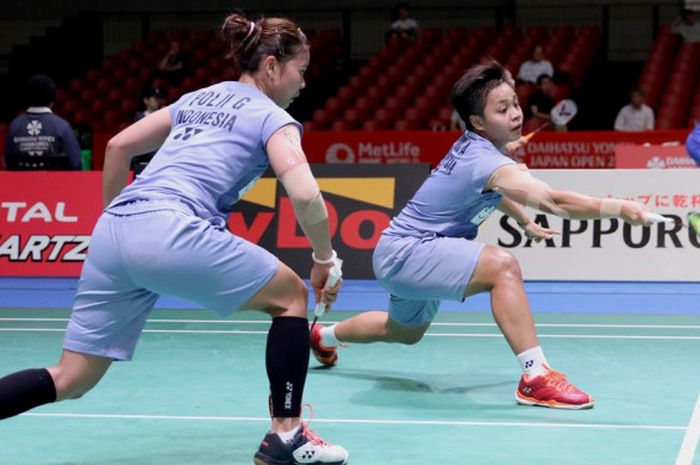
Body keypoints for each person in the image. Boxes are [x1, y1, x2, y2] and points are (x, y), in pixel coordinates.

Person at [0, 12, 349, 465]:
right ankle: (287, 434)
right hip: (171, 226)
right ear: (271, 68)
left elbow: (118, 147)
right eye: (300, 71)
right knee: (290, 297)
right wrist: (323, 257)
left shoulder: (196, 98)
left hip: (115, 231)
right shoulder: (271, 117)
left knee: (71, 377)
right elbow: (305, 194)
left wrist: (115, 218)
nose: (303, 83)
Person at [310, 61, 652, 410]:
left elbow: (492, 192)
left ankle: (322, 336)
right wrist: (617, 208)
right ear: (477, 122)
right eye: (502, 110)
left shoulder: (479, 150)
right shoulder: (485, 161)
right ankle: (536, 377)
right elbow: (552, 200)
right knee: (503, 267)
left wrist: (524, 222)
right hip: (411, 251)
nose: (516, 115)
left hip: (398, 254)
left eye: (515, 104)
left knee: (403, 332)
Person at [3, 74, 82, 170]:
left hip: (22, 184)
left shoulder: (15, 126)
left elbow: (8, 164)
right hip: (55, 185)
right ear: (52, 100)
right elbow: (76, 164)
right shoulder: (62, 126)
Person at [131, 86, 168, 174]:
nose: (157, 101)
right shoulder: (139, 117)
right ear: (146, 100)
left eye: (159, 99)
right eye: (154, 99)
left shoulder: (164, 115)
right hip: (144, 155)